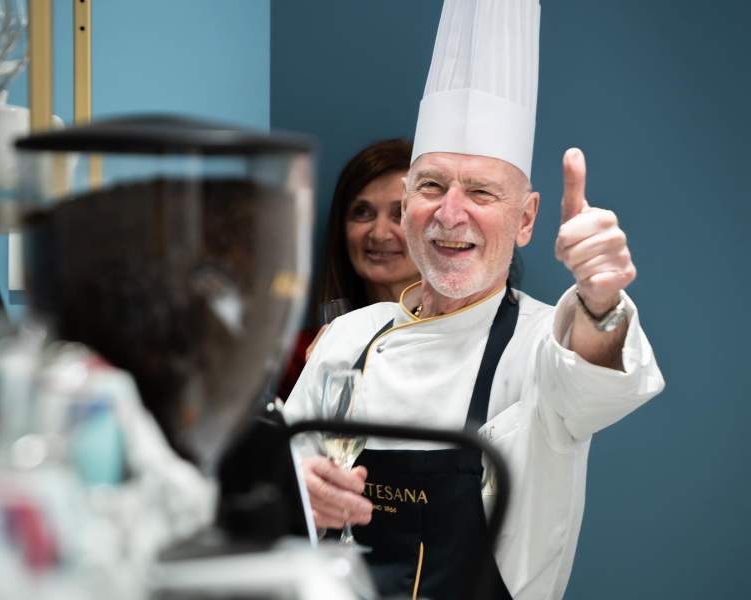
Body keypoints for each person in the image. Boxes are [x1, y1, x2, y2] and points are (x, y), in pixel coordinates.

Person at [284, 1, 665, 599]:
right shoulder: (347, 339)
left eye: (482, 191)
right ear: (409, 201)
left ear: (526, 219)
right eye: (431, 185)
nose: (450, 213)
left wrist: (600, 301)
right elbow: (278, 497)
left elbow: (597, 382)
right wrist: (297, 492)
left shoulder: (545, 341)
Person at [278, 139, 420, 398]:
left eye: (400, 213)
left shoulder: (463, 348)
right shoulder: (298, 354)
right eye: (362, 212)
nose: (379, 234)